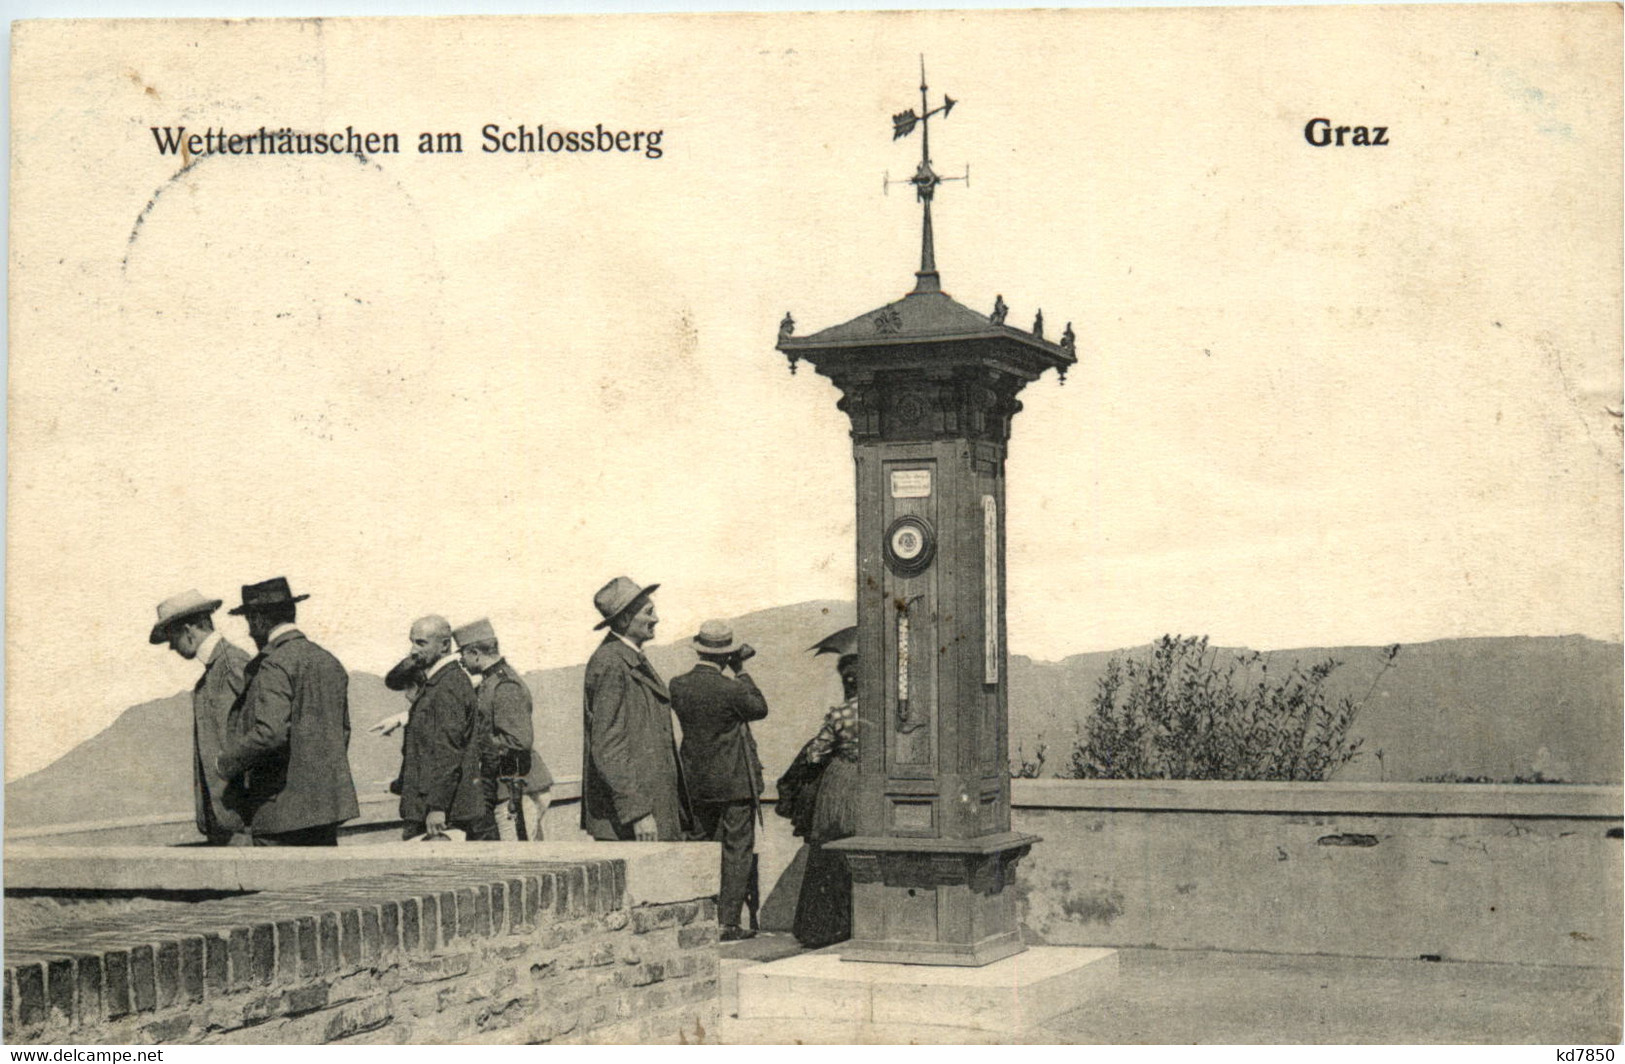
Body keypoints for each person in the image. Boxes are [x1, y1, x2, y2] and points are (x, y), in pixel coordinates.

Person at [215, 577, 359, 846]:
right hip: (326, 810)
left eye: (249, 622)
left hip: (280, 813)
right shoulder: (329, 661)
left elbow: (270, 734)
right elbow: (342, 733)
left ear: (258, 619)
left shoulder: (273, 663)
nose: (249, 632)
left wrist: (226, 762)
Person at [670, 620, 769, 941]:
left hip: (695, 782)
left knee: (699, 846)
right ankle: (727, 922)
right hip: (734, 782)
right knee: (736, 849)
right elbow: (759, 708)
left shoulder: (678, 685)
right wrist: (740, 670)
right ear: (726, 655)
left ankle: (697, 916)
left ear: (698, 648)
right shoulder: (733, 687)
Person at [581, 576, 691, 842]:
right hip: (634, 822)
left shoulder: (626, 658)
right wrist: (638, 813)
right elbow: (608, 746)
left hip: (650, 811)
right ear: (623, 621)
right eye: (649, 612)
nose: (656, 619)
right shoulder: (611, 663)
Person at [150, 588, 251, 846]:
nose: (171, 647)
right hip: (226, 822)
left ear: (188, 631)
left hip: (241, 823)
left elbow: (257, 737)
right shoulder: (214, 673)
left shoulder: (232, 666)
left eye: (171, 637)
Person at [784, 624, 861, 948]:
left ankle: (823, 928)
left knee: (829, 853)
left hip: (841, 786)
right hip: (871, 786)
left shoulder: (841, 713)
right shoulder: (886, 711)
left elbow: (815, 753)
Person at [395, 615, 495, 841]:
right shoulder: (443, 683)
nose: (412, 650)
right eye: (412, 642)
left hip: (442, 814)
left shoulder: (447, 686)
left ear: (444, 646)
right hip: (435, 809)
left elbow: (448, 752)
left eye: (421, 643)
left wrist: (437, 806)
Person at [455, 618, 554, 842]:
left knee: (517, 859)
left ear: (475, 653)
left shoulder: (504, 685)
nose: (461, 660)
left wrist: (475, 745)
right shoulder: (491, 682)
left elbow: (519, 741)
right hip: (511, 788)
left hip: (518, 790)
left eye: (463, 653)